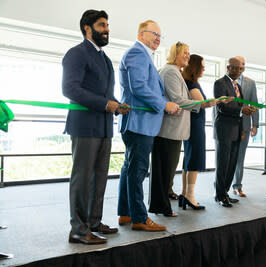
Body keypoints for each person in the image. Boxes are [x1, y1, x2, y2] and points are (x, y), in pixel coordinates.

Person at [62, 9, 129, 244]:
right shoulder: (77, 54)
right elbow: (70, 89)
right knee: (82, 178)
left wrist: (117, 105)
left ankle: (92, 222)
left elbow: (105, 95)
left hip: (103, 127)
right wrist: (105, 104)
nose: (107, 30)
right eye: (102, 25)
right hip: (84, 126)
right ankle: (78, 229)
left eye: (107, 25)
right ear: (87, 28)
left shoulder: (103, 58)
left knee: (99, 177)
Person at [117, 20, 180, 231]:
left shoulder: (144, 55)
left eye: (160, 36)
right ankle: (140, 218)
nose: (158, 39)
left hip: (138, 123)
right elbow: (139, 87)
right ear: (142, 34)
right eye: (155, 34)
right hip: (138, 123)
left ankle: (126, 213)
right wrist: (164, 104)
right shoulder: (137, 53)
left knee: (130, 168)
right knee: (137, 171)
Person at [149, 42, 217, 216]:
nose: (188, 55)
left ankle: (161, 205)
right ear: (175, 54)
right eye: (184, 53)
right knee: (165, 171)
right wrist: (202, 103)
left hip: (173, 129)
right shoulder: (170, 71)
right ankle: (162, 207)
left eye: (188, 53)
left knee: (166, 171)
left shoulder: (174, 72)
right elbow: (178, 101)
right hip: (170, 129)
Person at [181, 54, 228, 210]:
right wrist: (220, 100)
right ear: (195, 67)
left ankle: (184, 193)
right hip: (195, 124)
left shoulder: (189, 82)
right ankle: (190, 195)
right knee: (194, 159)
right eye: (202, 65)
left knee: (188, 159)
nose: (204, 68)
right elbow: (203, 104)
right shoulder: (191, 84)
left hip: (192, 123)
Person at [213, 57, 256, 207]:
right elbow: (222, 107)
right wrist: (241, 110)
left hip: (237, 130)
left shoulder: (238, 86)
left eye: (241, 69)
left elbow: (240, 108)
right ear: (228, 67)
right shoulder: (220, 83)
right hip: (224, 129)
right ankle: (219, 195)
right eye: (235, 68)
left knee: (232, 164)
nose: (238, 71)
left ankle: (225, 193)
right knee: (223, 164)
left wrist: (247, 112)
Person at [232, 56, 259, 197]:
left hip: (245, 125)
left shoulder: (250, 83)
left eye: (243, 64)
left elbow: (254, 104)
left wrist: (255, 125)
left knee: (240, 157)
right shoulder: (225, 82)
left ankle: (237, 186)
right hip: (228, 125)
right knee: (226, 157)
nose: (241, 66)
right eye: (238, 64)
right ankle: (222, 186)